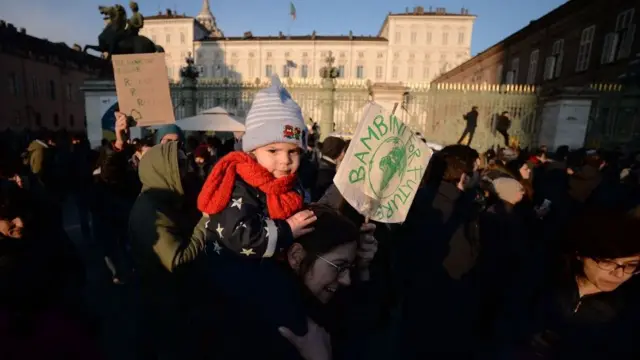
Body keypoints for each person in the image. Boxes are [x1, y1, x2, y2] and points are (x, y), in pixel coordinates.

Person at [197, 75, 316, 259]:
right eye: (273, 151)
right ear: (253, 150)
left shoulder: (290, 183)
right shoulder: (239, 184)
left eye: (293, 151)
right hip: (232, 276)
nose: (285, 160)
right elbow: (240, 236)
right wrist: (287, 229)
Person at [312, 136, 347, 202]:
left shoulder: (319, 164)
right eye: (343, 151)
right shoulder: (327, 173)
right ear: (338, 152)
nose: (344, 154)